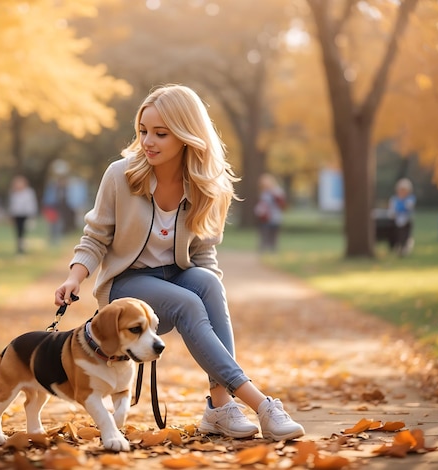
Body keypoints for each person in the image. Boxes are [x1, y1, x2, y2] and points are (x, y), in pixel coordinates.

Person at [54, 84, 305, 441]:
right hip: (128, 284)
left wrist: (211, 294)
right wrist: (74, 278)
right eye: (143, 131)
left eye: (160, 133)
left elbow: (203, 256)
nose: (148, 141)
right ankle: (262, 405)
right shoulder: (120, 176)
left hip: (177, 276)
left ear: (187, 136)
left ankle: (219, 407)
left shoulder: (205, 185)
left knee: (207, 284)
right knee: (190, 299)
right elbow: (95, 237)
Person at [254, 173, 286, 252]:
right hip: (265, 217)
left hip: (275, 216)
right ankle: (263, 249)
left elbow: (282, 204)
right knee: (264, 233)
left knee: (273, 234)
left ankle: (272, 250)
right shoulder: (263, 192)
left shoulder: (277, 191)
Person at [8, 175, 38, 254]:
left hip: (26, 214)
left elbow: (31, 204)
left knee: (24, 232)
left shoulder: (29, 192)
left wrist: (32, 215)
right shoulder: (14, 192)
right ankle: (19, 248)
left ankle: (22, 247)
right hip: (17, 215)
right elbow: (12, 205)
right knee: (18, 232)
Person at [387, 178, 416, 256]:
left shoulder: (410, 199)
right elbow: (392, 211)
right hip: (396, 220)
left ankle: (404, 247)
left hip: (406, 221)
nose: (402, 192)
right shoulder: (394, 199)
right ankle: (396, 247)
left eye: (404, 190)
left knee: (405, 233)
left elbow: (408, 209)